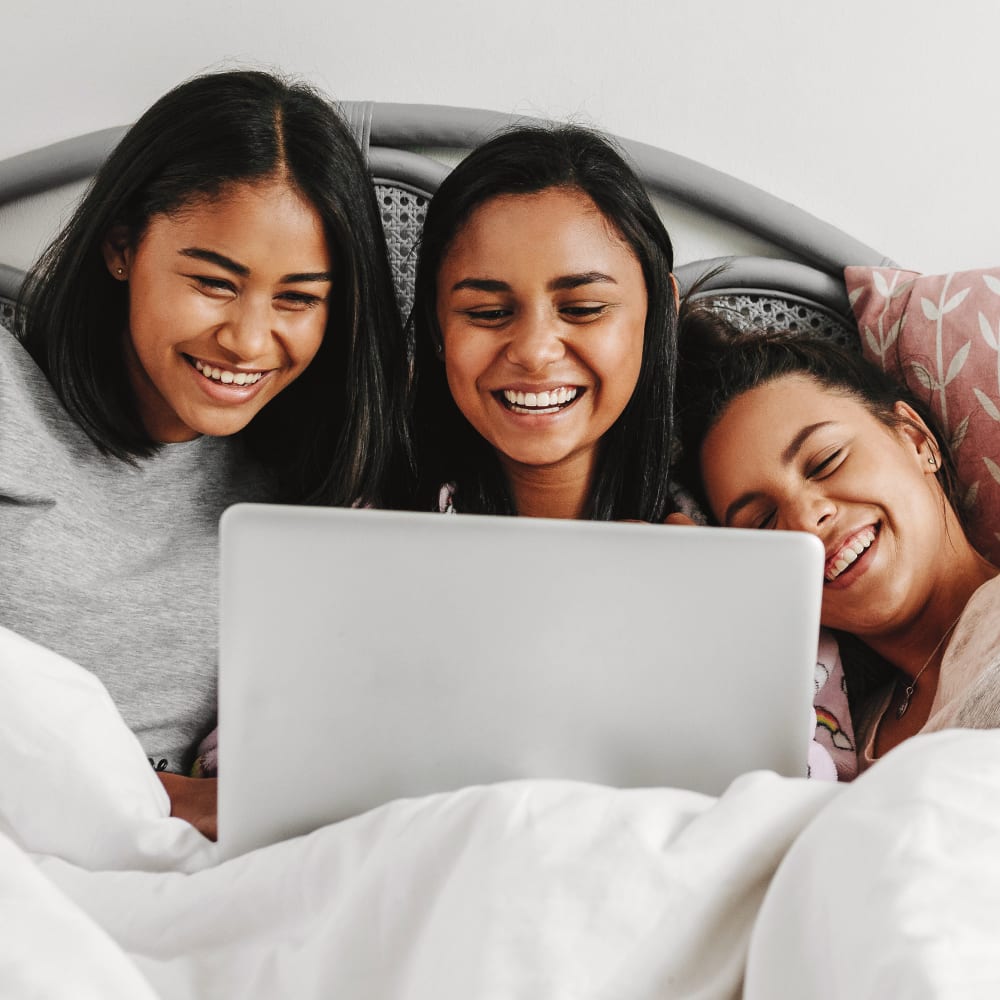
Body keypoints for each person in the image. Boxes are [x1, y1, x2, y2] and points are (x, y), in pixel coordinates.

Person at [2, 70, 412, 836]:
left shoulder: (312, 482)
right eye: (214, 284)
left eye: (298, 299)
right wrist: (177, 802)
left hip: (187, 881)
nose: (250, 341)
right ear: (122, 246)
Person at [671, 308, 999, 772]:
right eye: (763, 521)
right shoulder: (824, 741)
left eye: (826, 461)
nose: (806, 519)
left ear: (916, 440)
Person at [409, 123, 677, 522]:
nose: (534, 352)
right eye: (489, 313)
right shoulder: (357, 524)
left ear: (661, 313)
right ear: (436, 325)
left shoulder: (746, 512)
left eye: (582, 309)